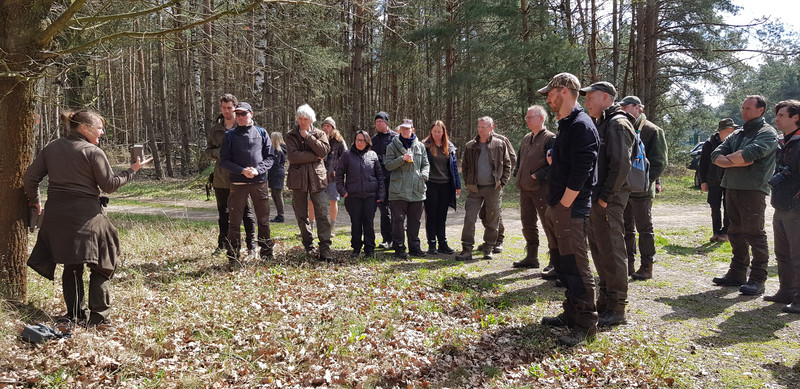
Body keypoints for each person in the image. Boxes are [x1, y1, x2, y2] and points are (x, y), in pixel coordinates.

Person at [24, 109, 152, 326]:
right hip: (86, 216)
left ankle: (74, 315)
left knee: (72, 264)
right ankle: (99, 318)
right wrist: (132, 170)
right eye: (100, 128)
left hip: (56, 216)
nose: (102, 133)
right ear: (84, 128)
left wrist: (35, 201)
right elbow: (109, 185)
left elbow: (30, 177)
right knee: (104, 260)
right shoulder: (92, 152)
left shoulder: (52, 147)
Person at [537, 72, 599, 347]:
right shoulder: (566, 124)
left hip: (570, 209)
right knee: (563, 264)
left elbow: (583, 171)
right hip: (558, 206)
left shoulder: (581, 125)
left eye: (549, 93)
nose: (547, 98)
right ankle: (571, 314)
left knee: (577, 265)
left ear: (563, 91)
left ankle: (586, 325)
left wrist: (563, 204)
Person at [711, 95, 779, 295]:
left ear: (761, 110)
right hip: (732, 186)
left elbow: (749, 155)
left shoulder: (767, 132)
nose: (744, 111)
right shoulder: (738, 133)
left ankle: (758, 278)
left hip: (753, 189)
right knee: (734, 232)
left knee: (755, 234)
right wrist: (734, 160)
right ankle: (737, 273)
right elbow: (716, 155)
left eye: (748, 108)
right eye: (742, 108)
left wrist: (729, 159)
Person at [581, 81, 636, 328]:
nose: (586, 102)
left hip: (609, 200)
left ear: (605, 97)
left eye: (590, 97)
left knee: (612, 251)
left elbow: (621, 166)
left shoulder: (618, 123)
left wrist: (604, 196)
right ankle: (605, 301)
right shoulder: (603, 122)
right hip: (598, 199)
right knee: (600, 249)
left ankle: (617, 307)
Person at [219, 102, 276, 268]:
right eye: (238, 114)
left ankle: (266, 253)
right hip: (238, 183)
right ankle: (233, 256)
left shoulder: (261, 132)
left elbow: (270, 157)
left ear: (251, 114)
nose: (241, 117)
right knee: (234, 221)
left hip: (259, 183)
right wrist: (242, 170)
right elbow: (224, 161)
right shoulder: (229, 135)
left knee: (263, 220)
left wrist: (258, 170)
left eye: (244, 114)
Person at [619, 95, 668, 280]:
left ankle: (647, 266)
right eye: (621, 107)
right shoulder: (623, 128)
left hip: (642, 191)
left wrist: (646, 182)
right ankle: (628, 264)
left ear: (639, 108)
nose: (623, 110)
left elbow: (660, 162)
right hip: (624, 190)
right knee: (626, 228)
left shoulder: (652, 130)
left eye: (627, 107)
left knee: (644, 229)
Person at [205, 93, 257, 256]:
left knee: (246, 213)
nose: (226, 111)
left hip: (241, 177)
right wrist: (222, 153)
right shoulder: (215, 129)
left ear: (235, 108)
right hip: (221, 178)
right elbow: (208, 151)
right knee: (223, 214)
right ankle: (223, 244)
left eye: (230, 108)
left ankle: (252, 245)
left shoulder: (242, 127)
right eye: (224, 108)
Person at [455, 116, 511, 261]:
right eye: (479, 127)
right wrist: (468, 182)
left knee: (492, 219)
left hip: (493, 188)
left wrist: (502, 182)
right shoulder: (470, 146)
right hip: (475, 189)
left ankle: (488, 248)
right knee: (469, 218)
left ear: (491, 128)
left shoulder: (499, 144)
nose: (480, 130)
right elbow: (465, 167)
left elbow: (507, 164)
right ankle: (467, 249)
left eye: (484, 127)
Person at [286, 104, 334, 261]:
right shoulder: (291, 135)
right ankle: (309, 246)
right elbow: (293, 157)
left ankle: (325, 248)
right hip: (298, 181)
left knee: (323, 215)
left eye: (305, 119)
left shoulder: (320, 133)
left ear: (311, 119)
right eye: (300, 118)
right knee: (301, 216)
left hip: (317, 180)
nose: (302, 122)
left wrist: (308, 137)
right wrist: (314, 157)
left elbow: (323, 151)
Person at [512, 105, 556, 269]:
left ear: (541, 118)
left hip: (541, 189)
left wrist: (536, 175)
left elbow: (554, 165)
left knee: (548, 224)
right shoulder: (526, 139)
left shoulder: (550, 139)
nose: (527, 120)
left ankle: (554, 261)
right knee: (527, 223)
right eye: (527, 117)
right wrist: (518, 174)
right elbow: (520, 160)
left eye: (531, 117)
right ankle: (531, 257)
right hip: (525, 189)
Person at [769, 100, 800, 312]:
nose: (776, 119)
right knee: (782, 253)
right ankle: (786, 291)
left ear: (796, 118)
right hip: (780, 205)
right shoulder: (785, 143)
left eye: (781, 115)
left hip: (796, 208)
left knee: (798, 255)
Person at [385, 119, 430, 259]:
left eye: (408, 128)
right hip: (398, 190)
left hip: (417, 189)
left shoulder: (420, 146)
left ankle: (415, 248)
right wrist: (401, 159)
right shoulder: (392, 146)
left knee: (414, 221)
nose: (405, 131)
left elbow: (425, 164)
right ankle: (399, 248)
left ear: (413, 130)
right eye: (403, 129)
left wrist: (424, 175)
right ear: (399, 130)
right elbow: (388, 165)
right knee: (397, 221)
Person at [335, 130, 385, 258]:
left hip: (370, 196)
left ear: (367, 141)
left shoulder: (373, 155)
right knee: (356, 222)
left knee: (369, 223)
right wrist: (343, 191)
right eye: (357, 139)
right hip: (353, 196)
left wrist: (380, 194)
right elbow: (339, 174)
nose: (358, 142)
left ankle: (370, 249)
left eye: (361, 140)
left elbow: (380, 176)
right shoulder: (347, 155)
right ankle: (356, 248)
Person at [422, 120, 461, 255]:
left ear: (444, 132)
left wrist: (458, 185)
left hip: (445, 185)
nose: (437, 134)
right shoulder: (425, 146)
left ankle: (442, 243)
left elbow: (454, 168)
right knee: (431, 215)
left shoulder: (449, 147)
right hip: (431, 185)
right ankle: (432, 244)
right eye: (435, 131)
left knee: (442, 216)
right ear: (431, 132)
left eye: (439, 131)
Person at [477, 129, 517, 254]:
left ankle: (498, 240)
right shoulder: (478, 141)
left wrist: (502, 180)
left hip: (495, 185)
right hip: (481, 185)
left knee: (494, 213)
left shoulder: (501, 140)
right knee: (484, 214)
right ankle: (492, 239)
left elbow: (512, 159)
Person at [698, 119, 737, 242]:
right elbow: (703, 164)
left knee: (728, 206)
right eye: (730, 130)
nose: (733, 131)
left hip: (730, 180)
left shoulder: (734, 142)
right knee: (714, 206)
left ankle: (726, 232)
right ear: (722, 130)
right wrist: (703, 181)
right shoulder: (709, 143)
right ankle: (716, 232)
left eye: (733, 129)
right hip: (713, 180)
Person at [310, 117, 346, 235]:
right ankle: (311, 226)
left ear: (333, 128)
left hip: (332, 177)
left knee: (332, 201)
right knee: (311, 201)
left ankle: (332, 228)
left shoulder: (339, 141)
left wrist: (338, 169)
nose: (325, 128)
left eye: (328, 126)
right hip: (317, 176)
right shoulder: (316, 139)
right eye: (324, 125)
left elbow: (346, 157)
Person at [372, 111, 398, 249]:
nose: (378, 124)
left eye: (380, 121)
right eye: (376, 122)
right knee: (383, 210)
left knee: (396, 210)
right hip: (380, 179)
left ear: (386, 122)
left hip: (394, 178)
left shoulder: (396, 138)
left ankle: (397, 239)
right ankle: (386, 239)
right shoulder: (373, 140)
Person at [268, 131, 287, 223]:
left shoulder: (278, 151)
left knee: (277, 195)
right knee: (274, 195)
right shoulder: (276, 149)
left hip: (277, 173)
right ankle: (279, 214)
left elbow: (275, 163)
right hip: (274, 173)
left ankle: (281, 215)